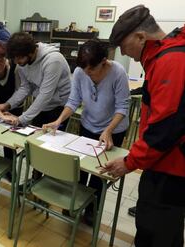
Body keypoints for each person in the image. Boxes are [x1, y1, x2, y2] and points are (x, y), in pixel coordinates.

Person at [101, 5, 185, 247]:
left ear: (140, 36)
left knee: (155, 235)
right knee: (167, 232)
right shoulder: (165, 56)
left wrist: (129, 162)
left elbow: (164, 130)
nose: (126, 55)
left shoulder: (171, 62)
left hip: (170, 170)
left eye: (125, 47)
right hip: (162, 164)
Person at [43, 39, 130, 224]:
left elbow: (123, 107)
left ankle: (92, 210)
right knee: (80, 169)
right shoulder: (80, 72)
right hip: (88, 125)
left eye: (92, 69)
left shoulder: (118, 73)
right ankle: (76, 203)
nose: (87, 73)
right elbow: (74, 101)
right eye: (84, 69)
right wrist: (59, 121)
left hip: (113, 131)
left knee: (100, 173)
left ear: (104, 62)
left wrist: (108, 130)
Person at [0, 32, 71, 128]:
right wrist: (7, 105)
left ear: (31, 52)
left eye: (19, 58)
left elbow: (45, 95)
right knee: (34, 135)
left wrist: (20, 119)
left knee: (49, 141)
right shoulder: (22, 63)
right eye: (14, 59)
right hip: (41, 106)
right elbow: (25, 88)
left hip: (59, 107)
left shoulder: (53, 60)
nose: (16, 62)